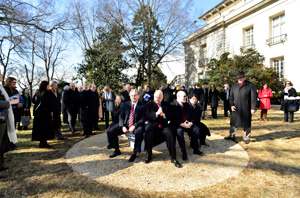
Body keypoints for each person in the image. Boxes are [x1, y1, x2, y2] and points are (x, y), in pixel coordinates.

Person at [144, 90, 182, 168]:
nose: (157, 99)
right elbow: (147, 115)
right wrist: (157, 114)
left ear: (162, 97)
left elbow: (171, 115)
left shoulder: (166, 104)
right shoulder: (149, 104)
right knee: (148, 134)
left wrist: (163, 115)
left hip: (164, 126)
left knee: (170, 134)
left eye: (159, 97)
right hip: (152, 126)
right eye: (155, 97)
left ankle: (173, 157)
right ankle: (148, 155)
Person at [107, 89, 145, 162]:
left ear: (138, 96)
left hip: (136, 125)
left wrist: (134, 126)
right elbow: (121, 116)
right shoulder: (126, 104)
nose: (133, 97)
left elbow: (143, 118)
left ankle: (135, 152)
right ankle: (117, 149)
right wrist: (122, 126)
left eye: (135, 95)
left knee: (139, 132)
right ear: (130, 96)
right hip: (126, 125)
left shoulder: (142, 105)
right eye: (132, 96)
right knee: (111, 131)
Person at [224, 71, 257, 144]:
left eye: (241, 77)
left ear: (245, 77)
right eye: (238, 78)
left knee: (247, 123)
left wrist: (253, 108)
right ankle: (232, 135)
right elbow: (231, 97)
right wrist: (232, 105)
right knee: (233, 122)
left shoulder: (250, 85)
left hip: (246, 108)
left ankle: (246, 138)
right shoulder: (234, 86)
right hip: (236, 108)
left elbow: (254, 97)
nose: (239, 79)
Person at [170, 91, 203, 161]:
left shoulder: (187, 105)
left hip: (187, 123)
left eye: (185, 96)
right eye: (184, 96)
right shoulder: (172, 105)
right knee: (179, 131)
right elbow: (172, 118)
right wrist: (181, 124)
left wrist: (190, 123)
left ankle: (196, 149)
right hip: (178, 124)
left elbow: (192, 116)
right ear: (178, 96)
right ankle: (184, 152)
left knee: (196, 129)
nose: (186, 97)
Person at [0, 72, 19, 172]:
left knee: (2, 143)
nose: (2, 75)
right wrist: (10, 102)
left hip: (5, 117)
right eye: (0, 74)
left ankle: (1, 165)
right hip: (1, 117)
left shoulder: (1, 88)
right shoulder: (3, 88)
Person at [32, 81, 55, 148]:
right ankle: (43, 143)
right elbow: (51, 101)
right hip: (44, 114)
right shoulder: (46, 93)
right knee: (44, 128)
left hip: (38, 114)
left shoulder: (37, 92)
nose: (49, 87)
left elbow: (33, 100)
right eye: (48, 85)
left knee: (40, 129)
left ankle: (42, 142)